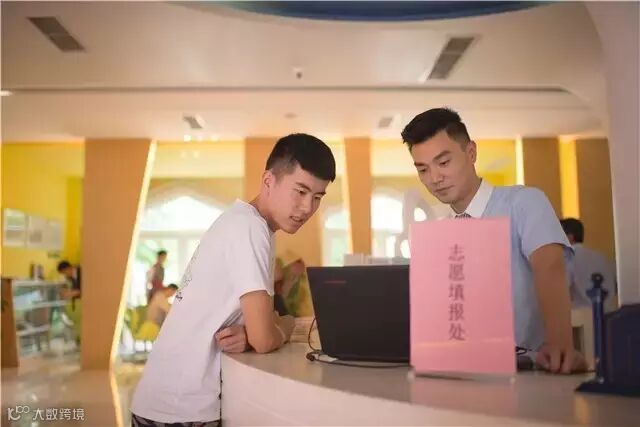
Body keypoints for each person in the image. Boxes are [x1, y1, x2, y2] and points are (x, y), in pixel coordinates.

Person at [131, 133, 336, 426]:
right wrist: (286, 324)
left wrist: (254, 332)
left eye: (317, 197)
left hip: (166, 401)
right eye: (300, 191)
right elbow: (264, 338)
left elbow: (256, 331)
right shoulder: (250, 228)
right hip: (181, 408)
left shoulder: (246, 223)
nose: (307, 208)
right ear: (268, 181)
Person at [400, 107, 587, 374]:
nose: (435, 178)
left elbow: (549, 266)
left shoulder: (523, 202)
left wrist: (560, 343)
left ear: (471, 153)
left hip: (528, 370)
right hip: (461, 371)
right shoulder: (441, 233)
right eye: (423, 169)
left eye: (443, 163)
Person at [560, 218, 617, 310]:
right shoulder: (601, 256)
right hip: (611, 313)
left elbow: (559, 291)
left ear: (570, 237)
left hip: (581, 315)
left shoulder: (567, 258)